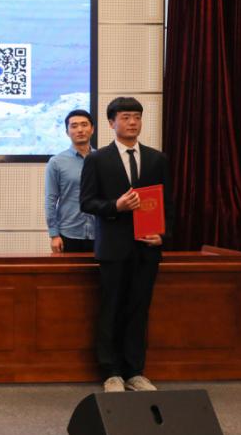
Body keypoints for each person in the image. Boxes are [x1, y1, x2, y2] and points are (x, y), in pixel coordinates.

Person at [80, 97, 174, 393]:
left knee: (139, 310)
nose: (132, 122)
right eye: (125, 117)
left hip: (147, 250)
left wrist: (163, 235)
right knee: (111, 309)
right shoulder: (97, 159)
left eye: (136, 117)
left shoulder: (157, 159)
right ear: (111, 123)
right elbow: (87, 202)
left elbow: (168, 205)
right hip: (113, 248)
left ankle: (135, 371)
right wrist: (116, 206)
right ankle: (111, 372)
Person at [46, 109, 97, 253]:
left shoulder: (103, 159)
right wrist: (54, 234)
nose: (80, 130)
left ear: (92, 129)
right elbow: (51, 199)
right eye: (74, 126)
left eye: (84, 125)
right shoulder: (56, 162)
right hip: (68, 233)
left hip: (99, 232)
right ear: (67, 132)